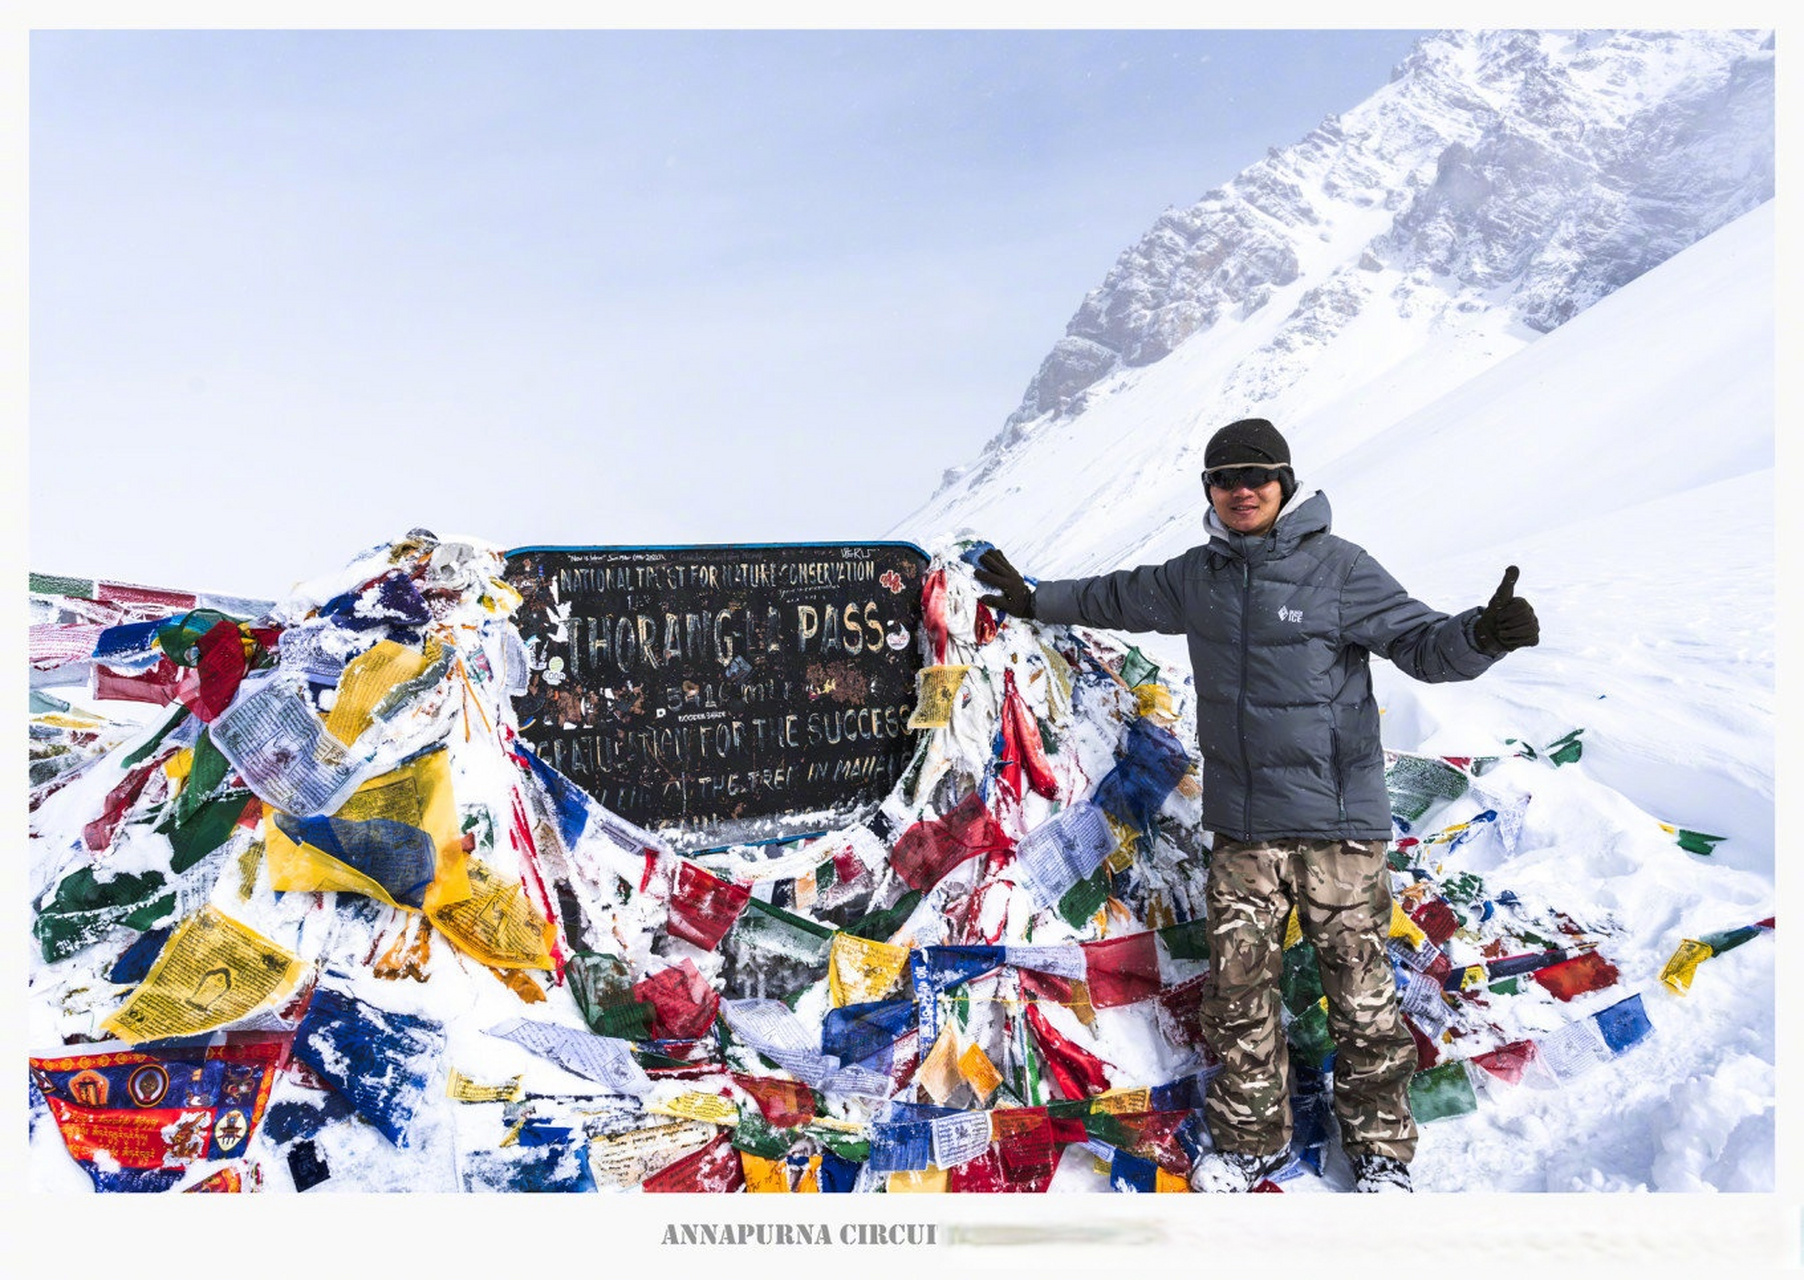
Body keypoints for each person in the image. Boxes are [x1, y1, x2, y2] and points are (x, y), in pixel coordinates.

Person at [974, 417, 1538, 1194]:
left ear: (1285, 483)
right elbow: (1118, 596)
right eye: (1225, 479)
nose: (1242, 491)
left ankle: (1380, 1150)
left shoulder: (1340, 568)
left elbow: (1423, 644)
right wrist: (1036, 599)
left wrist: (1483, 636)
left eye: (1257, 476)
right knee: (1238, 995)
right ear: (1210, 490)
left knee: (1361, 996)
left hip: (1338, 826)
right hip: (1244, 827)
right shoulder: (1197, 577)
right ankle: (1250, 1142)